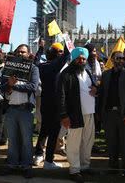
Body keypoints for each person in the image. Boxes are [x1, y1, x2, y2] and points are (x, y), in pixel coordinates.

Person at [57, 47, 98, 183]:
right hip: (74, 114)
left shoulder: (86, 71)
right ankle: (74, 169)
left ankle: (85, 166)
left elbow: (94, 86)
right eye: (79, 58)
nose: (82, 61)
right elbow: (61, 95)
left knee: (88, 141)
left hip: (89, 113)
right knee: (74, 143)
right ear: (73, 59)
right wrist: (64, 115)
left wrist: (95, 88)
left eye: (84, 59)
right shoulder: (66, 74)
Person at [0, 44, 39, 179]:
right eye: (18, 52)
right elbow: (2, 87)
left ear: (28, 53)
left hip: (25, 110)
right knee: (12, 140)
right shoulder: (9, 68)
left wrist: (14, 85)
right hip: (11, 109)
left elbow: (33, 86)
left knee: (27, 140)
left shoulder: (33, 68)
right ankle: (12, 165)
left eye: (23, 52)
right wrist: (8, 85)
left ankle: (27, 166)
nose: (20, 54)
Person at [98, 51, 125, 177]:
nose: (120, 61)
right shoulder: (105, 75)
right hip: (109, 114)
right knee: (111, 142)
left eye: (122, 59)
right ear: (112, 60)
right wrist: (100, 112)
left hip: (124, 115)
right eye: (118, 58)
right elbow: (102, 94)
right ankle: (113, 168)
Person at [33, 41, 69, 169]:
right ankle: (48, 161)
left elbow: (36, 60)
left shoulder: (41, 67)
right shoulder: (55, 67)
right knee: (53, 133)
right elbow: (66, 55)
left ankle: (38, 155)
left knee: (43, 130)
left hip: (44, 103)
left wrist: (41, 48)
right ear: (57, 57)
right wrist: (67, 41)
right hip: (55, 105)